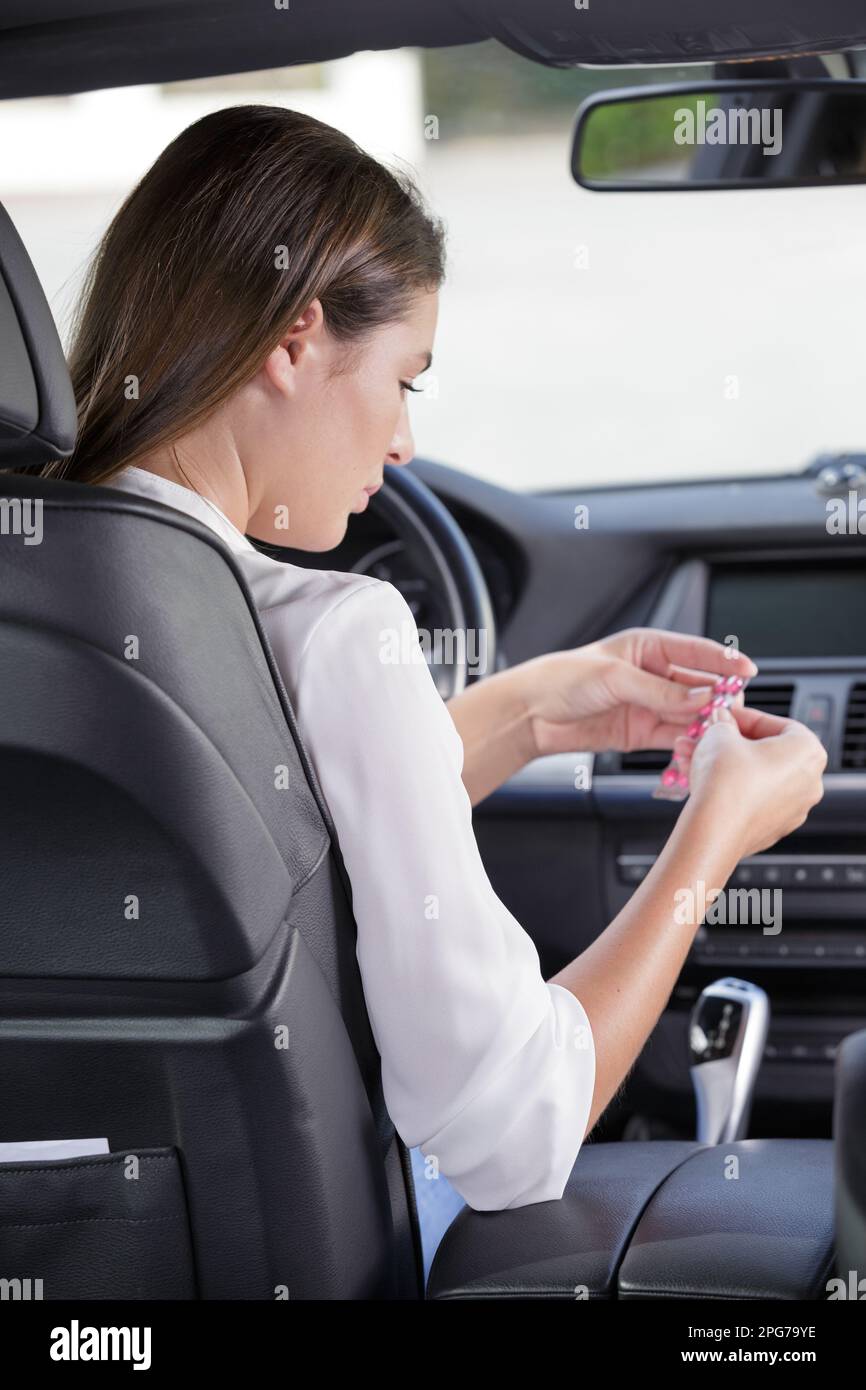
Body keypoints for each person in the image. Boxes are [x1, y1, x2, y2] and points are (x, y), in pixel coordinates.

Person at [39, 105, 827, 1217]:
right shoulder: (333, 630)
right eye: (405, 377)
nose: (405, 442)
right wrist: (717, 835)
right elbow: (509, 1134)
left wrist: (535, 712)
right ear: (295, 339)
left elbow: (245, 846)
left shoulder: (52, 600)